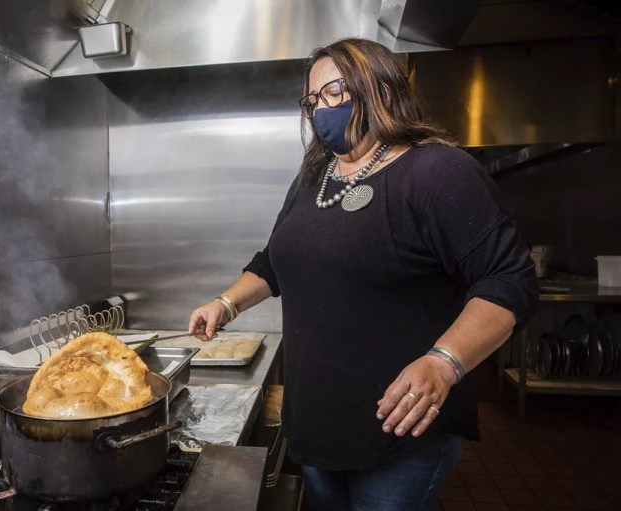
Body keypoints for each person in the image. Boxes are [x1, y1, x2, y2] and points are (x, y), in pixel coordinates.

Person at [188, 38, 538, 511]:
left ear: (382, 91)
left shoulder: (438, 171)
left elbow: (509, 279)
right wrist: (225, 303)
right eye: (312, 100)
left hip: (399, 428)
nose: (320, 110)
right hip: (316, 422)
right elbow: (275, 261)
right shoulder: (313, 179)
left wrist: (443, 362)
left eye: (334, 92)